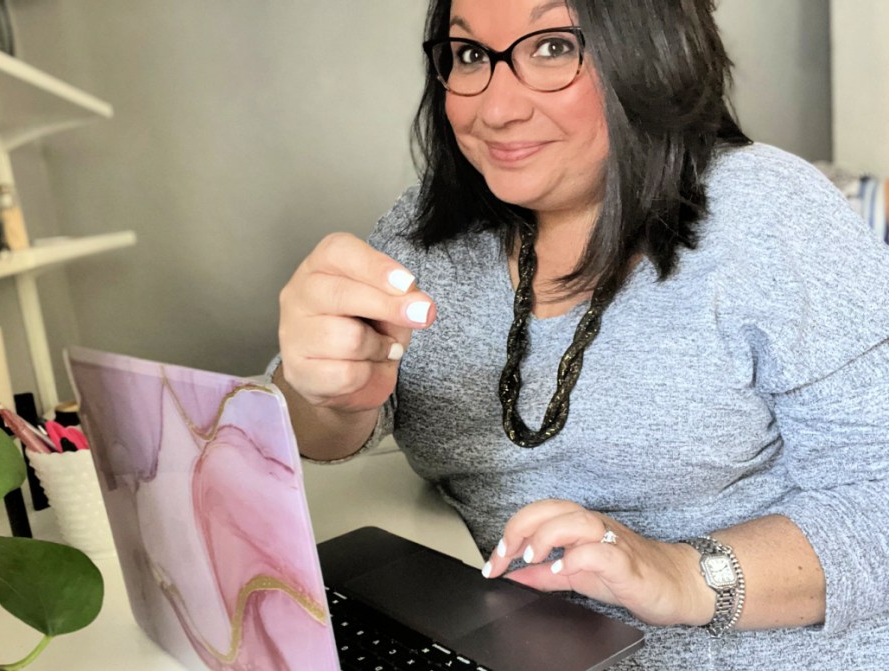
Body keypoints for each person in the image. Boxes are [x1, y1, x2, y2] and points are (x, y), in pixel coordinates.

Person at [273, 0, 889, 667]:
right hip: (502, 639)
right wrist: (321, 392)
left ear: (650, 54)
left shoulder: (772, 215)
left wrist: (680, 573)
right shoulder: (428, 227)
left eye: (553, 48)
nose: (496, 109)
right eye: (472, 55)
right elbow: (336, 422)